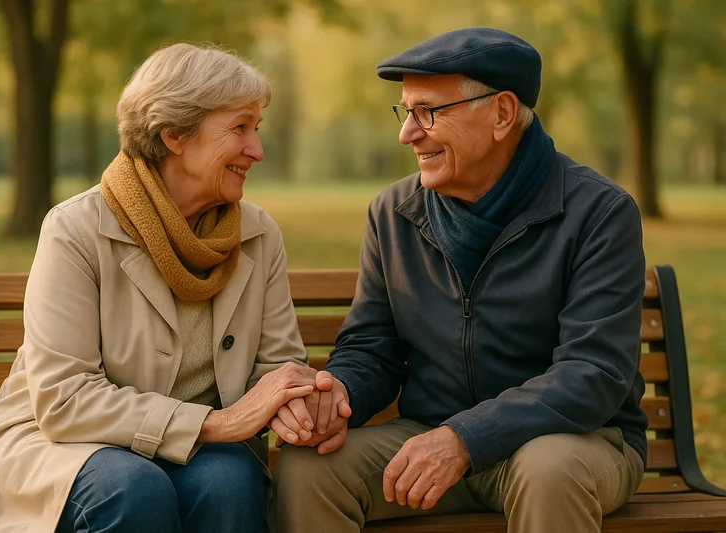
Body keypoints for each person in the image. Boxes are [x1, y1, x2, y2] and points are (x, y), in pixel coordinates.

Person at [272, 27, 648, 533]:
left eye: (428, 111)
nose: (407, 133)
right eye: (404, 112)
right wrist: (338, 396)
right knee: (308, 468)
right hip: (428, 436)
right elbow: (372, 348)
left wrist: (466, 438)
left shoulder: (599, 213)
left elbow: (593, 373)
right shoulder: (393, 213)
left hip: (571, 440)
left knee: (549, 470)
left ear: (501, 113)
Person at [0, 43, 318, 533]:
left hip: (191, 451)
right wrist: (216, 424)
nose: (257, 150)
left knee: (231, 483)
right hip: (61, 448)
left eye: (257, 129)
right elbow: (64, 399)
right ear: (175, 135)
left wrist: (301, 406)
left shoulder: (258, 234)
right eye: (240, 127)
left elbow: (276, 369)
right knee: (133, 487)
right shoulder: (76, 228)